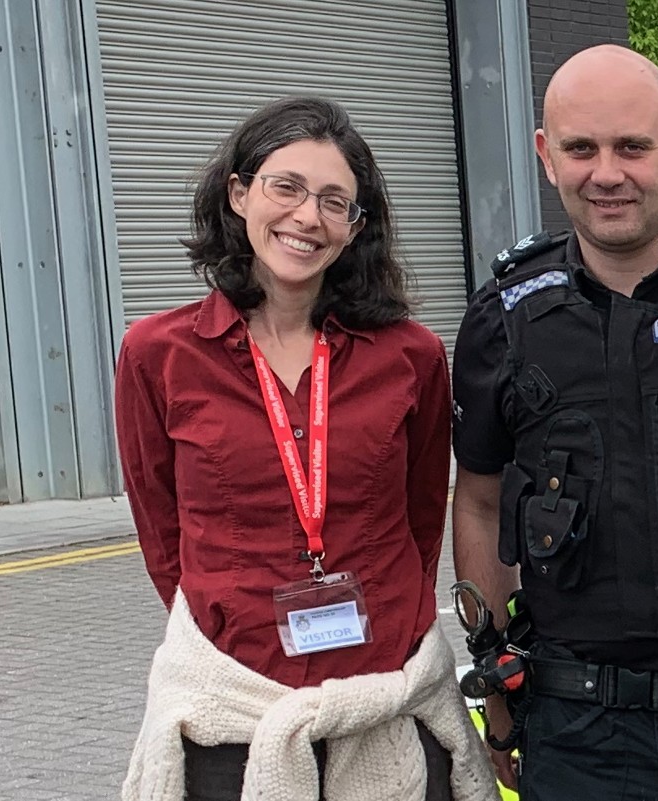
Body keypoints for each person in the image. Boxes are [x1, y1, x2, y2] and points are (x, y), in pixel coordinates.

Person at [115, 97, 497, 801]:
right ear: (239, 193)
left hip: (388, 693)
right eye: (284, 186)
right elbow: (162, 535)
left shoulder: (409, 357)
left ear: (355, 229)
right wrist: (237, 606)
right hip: (233, 708)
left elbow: (419, 522)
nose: (305, 216)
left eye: (333, 201)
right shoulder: (157, 355)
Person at [451, 45, 658, 800]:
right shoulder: (504, 317)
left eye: (633, 146)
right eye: (580, 148)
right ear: (545, 156)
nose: (607, 173)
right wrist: (496, 691)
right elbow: (480, 499)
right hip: (574, 728)